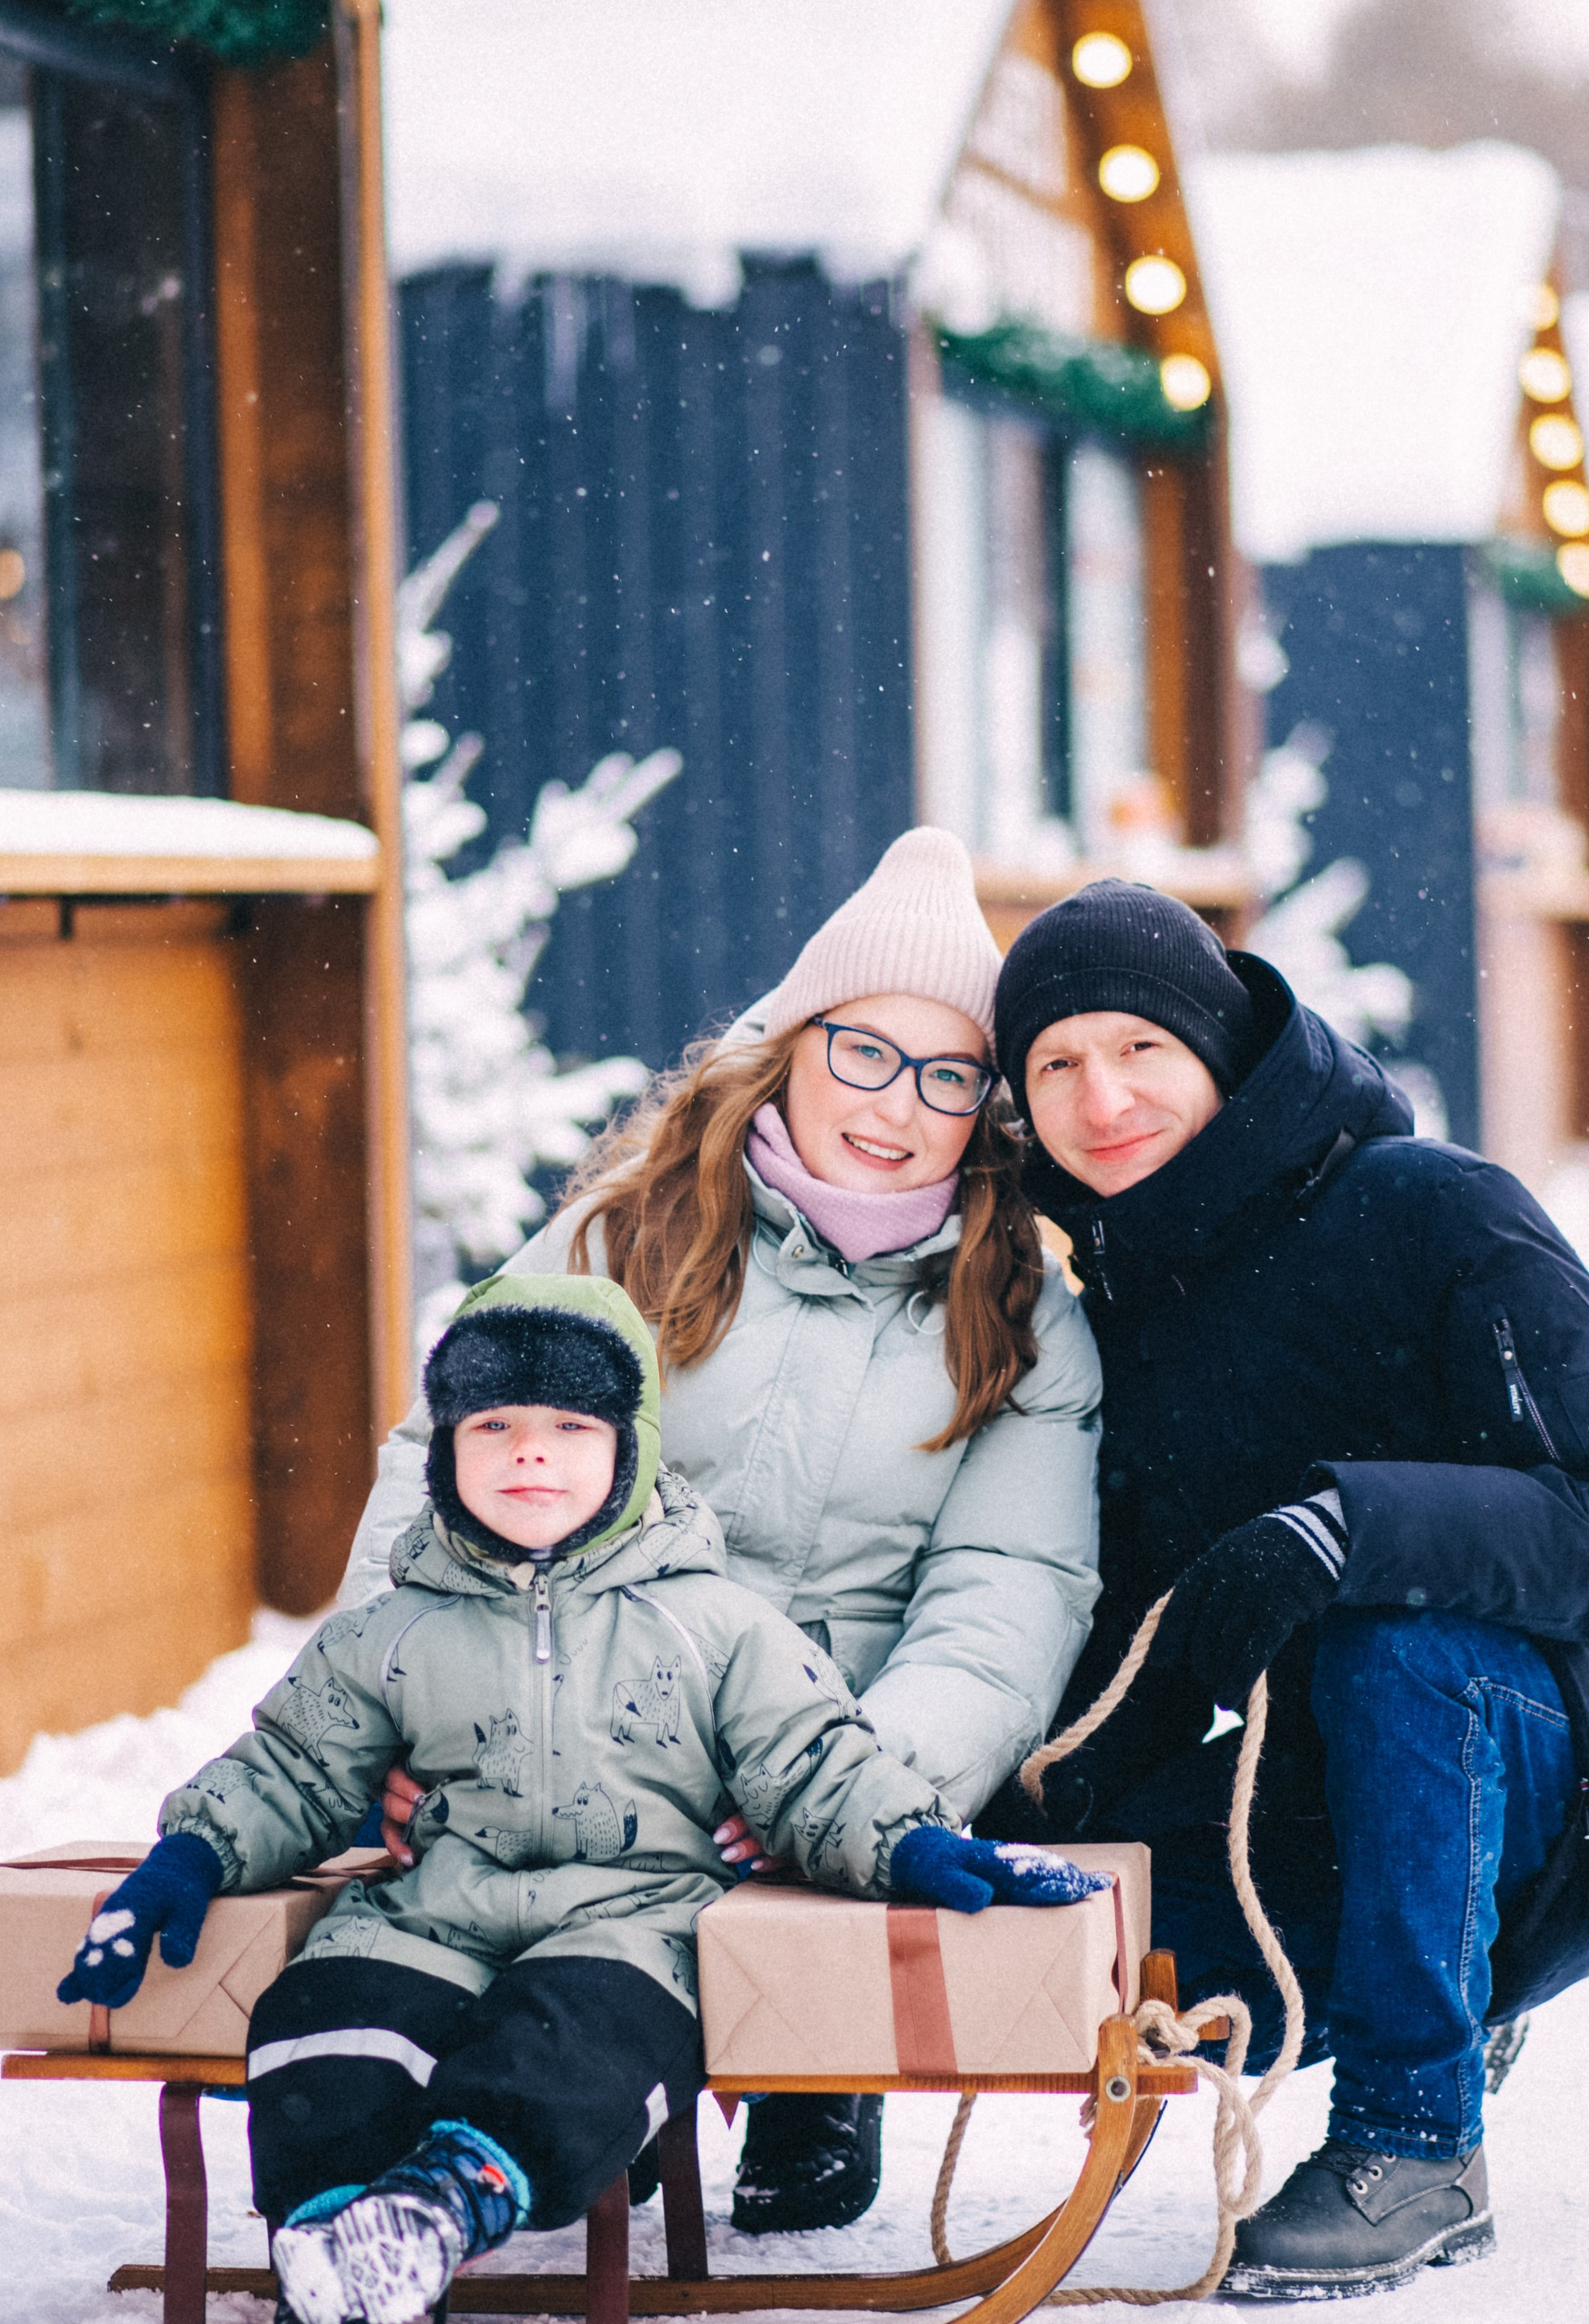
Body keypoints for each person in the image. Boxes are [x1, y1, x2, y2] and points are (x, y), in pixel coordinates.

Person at [58, 1276, 1102, 2324]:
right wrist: (187, 1860)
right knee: (324, 2030)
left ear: (631, 1450)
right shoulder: (390, 1632)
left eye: (572, 1428)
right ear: (446, 1448)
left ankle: (444, 2203)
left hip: (632, 1918)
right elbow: (295, 1767)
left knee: (582, 2047)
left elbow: (813, 1759)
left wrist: (913, 1843)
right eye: (492, 1427)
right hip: (430, 1913)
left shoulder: (715, 1621)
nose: (530, 1458)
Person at [988, 877, 1589, 2301]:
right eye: (1056, 1065)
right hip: (1330, 1790)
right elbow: (1141, 1633)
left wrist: (1345, 1530)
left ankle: (1419, 2139)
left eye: (1141, 1047)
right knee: (1079, 1931)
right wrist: (983, 1821)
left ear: (1220, 1047)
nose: (1103, 1098)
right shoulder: (1119, 1312)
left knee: (1389, 1648)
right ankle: (1453, 1982)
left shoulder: (1434, 1210)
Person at [339, 829, 1102, 2234]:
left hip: (821, 1749)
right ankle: (514, 2083)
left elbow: (1010, 1589)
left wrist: (856, 1785)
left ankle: (808, 2070)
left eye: (948, 1077)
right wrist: (392, 1712)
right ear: (794, 1043)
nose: (898, 1105)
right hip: (570, 1704)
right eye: (865, 1053)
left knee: (780, 1865)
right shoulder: (633, 1233)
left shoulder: (1019, 1313)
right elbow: (441, 1461)